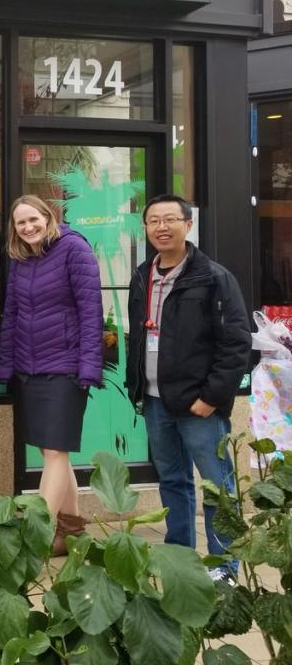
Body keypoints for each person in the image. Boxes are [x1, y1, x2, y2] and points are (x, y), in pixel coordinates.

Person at [125, 194, 250, 581]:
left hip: (199, 404)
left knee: (216, 486)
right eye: (153, 221)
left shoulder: (213, 277)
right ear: (145, 228)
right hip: (155, 400)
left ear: (188, 225)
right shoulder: (142, 276)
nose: (161, 227)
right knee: (172, 482)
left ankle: (225, 566)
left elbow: (236, 343)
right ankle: (180, 558)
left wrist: (212, 397)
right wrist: (136, 387)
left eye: (170, 220)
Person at [0, 195, 103, 556]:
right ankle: (71, 531)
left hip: (66, 368)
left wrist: (89, 367)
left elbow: (91, 312)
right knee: (51, 451)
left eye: (33, 219)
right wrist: (6, 364)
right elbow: (12, 314)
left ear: (48, 217)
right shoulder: (20, 258)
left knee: (56, 450)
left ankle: (35, 537)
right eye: (20, 223)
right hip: (31, 369)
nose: (28, 227)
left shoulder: (74, 248)